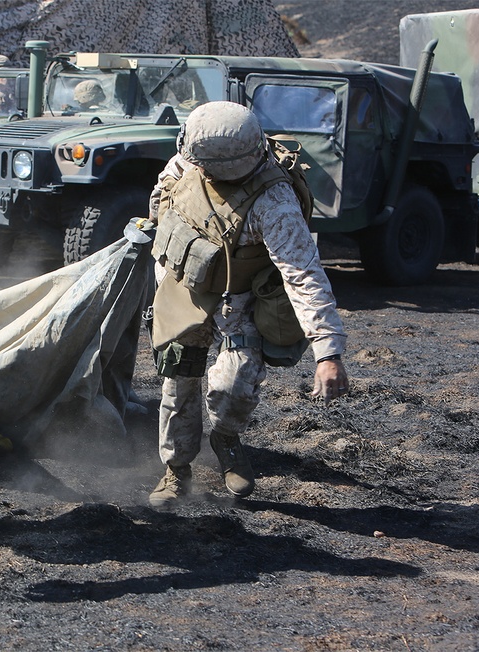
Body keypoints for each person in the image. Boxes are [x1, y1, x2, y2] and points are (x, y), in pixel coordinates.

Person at [146, 101, 349, 507]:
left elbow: (302, 272)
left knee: (234, 386)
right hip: (185, 291)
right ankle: (176, 470)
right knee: (178, 384)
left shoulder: (274, 201)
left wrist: (328, 351)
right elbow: (159, 213)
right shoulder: (182, 167)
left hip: (239, 302)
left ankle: (226, 437)